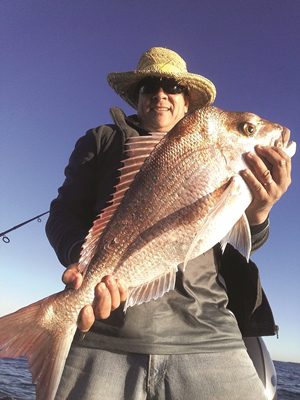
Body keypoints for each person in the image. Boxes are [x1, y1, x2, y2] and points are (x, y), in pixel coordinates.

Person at [46, 47, 292, 400]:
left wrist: (259, 213)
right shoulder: (102, 140)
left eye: (172, 86)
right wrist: (81, 263)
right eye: (149, 86)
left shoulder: (218, 152)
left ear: (188, 99)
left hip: (209, 333)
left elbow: (241, 244)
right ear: (138, 97)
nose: (160, 93)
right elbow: (63, 214)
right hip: (106, 333)